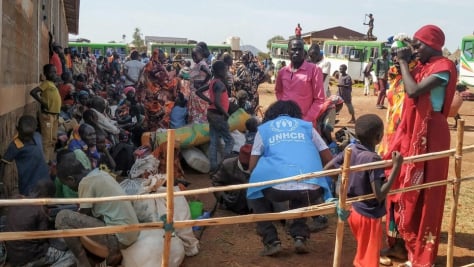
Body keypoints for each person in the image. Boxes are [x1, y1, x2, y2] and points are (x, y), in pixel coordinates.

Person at [382, 25, 457, 267]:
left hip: (432, 134)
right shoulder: (422, 66)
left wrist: (405, 62)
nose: (415, 49)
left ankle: (422, 254)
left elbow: (413, 91)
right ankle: (404, 247)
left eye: (419, 44)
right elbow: (399, 86)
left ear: (433, 46)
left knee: (427, 192)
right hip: (411, 132)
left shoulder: (443, 67)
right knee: (404, 184)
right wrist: (402, 60)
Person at [246, 100, 333, 256]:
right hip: (312, 187)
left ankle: (271, 240)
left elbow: (252, 166)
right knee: (301, 191)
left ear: (271, 115)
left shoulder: (264, 129)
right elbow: (328, 158)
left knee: (255, 191)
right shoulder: (307, 127)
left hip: (277, 190)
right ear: (295, 114)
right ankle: (300, 236)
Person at [324, 114, 403, 267]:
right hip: (369, 215)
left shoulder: (351, 149)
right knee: (368, 260)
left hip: (353, 211)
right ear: (379, 137)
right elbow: (379, 194)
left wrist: (345, 183)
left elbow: (328, 169)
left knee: (363, 252)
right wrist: (396, 167)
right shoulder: (373, 159)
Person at [55, 151, 139, 267]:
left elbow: (85, 214)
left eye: (66, 184)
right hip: (132, 232)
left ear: (71, 179)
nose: (68, 187)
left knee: (62, 217)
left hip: (118, 237)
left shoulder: (85, 183)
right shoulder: (101, 174)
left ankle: (83, 262)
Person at [5, 179, 76, 267]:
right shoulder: (40, 210)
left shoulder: (16, 200)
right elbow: (43, 239)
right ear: (49, 198)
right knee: (72, 255)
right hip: (29, 258)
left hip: (13, 256)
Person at [275, 38, 326, 126]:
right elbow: (278, 91)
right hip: (286, 121)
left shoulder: (314, 70)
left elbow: (319, 99)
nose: (297, 52)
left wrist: (306, 120)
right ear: (288, 51)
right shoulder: (282, 72)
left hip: (305, 123)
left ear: (304, 52)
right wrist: (283, 108)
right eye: (294, 49)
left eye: (300, 49)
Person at [196, 60, 234, 173]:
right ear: (221, 71)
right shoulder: (220, 84)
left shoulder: (213, 82)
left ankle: (213, 167)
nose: (227, 72)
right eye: (226, 70)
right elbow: (218, 103)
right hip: (218, 115)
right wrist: (227, 114)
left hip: (211, 114)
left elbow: (198, 91)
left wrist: (209, 101)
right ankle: (223, 166)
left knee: (214, 140)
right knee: (229, 141)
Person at [0, 115, 50, 196]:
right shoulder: (15, 145)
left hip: (44, 178)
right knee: (29, 204)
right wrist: (1, 183)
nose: (26, 138)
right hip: (28, 183)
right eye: (24, 135)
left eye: (29, 135)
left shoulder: (37, 136)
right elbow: (3, 163)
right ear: (17, 128)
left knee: (45, 201)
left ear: (34, 130)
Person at [30, 64, 61, 163]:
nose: (55, 74)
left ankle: (50, 159)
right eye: (52, 72)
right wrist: (43, 102)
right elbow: (33, 92)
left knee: (53, 139)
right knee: (47, 139)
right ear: (46, 74)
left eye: (55, 72)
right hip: (47, 115)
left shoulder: (52, 84)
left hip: (55, 115)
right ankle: (45, 161)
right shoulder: (46, 83)